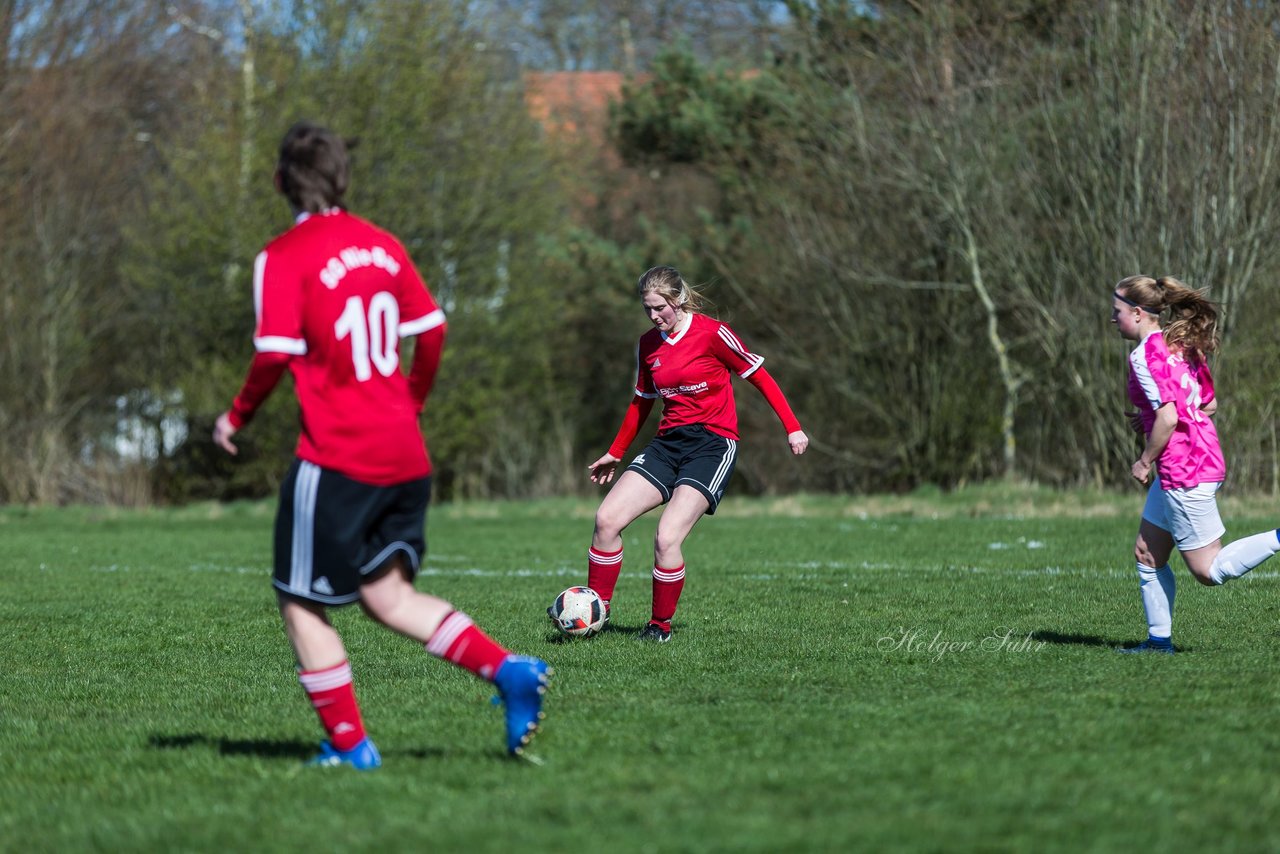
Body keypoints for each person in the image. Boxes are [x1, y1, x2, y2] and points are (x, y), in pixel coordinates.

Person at [213, 121, 549, 767]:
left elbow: (271, 356)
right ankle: (509, 673)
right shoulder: (383, 245)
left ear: (281, 180)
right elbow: (434, 329)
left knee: (299, 597)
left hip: (338, 455)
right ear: (343, 177)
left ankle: (350, 746)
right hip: (404, 452)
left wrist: (235, 417)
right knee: (385, 596)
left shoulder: (282, 255)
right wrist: (411, 402)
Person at [574, 265, 809, 643]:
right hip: (667, 444)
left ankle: (659, 628)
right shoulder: (648, 345)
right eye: (647, 309)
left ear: (678, 300)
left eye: (659, 308)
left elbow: (758, 375)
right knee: (606, 520)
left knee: (667, 538)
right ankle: (595, 611)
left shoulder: (713, 334)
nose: (653, 317)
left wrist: (793, 427)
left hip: (713, 445)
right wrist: (615, 452)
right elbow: (641, 402)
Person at [1111, 274, 1279, 654]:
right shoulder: (1181, 344)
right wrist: (1151, 419)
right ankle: (1158, 643)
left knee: (1209, 571)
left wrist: (1143, 459)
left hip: (1184, 468)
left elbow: (1170, 418)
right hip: (1201, 456)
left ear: (1137, 314)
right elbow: (1207, 405)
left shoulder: (1144, 355)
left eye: (1116, 312)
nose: (1113, 319)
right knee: (1147, 553)